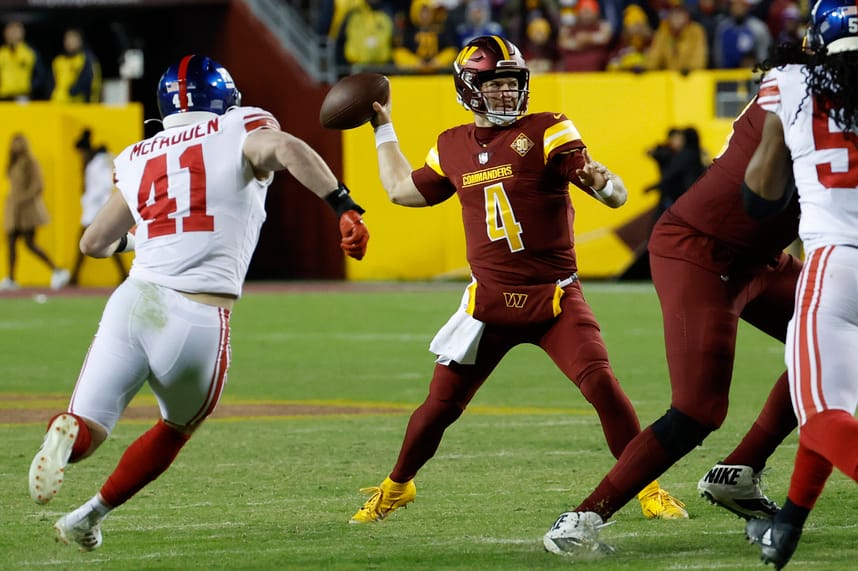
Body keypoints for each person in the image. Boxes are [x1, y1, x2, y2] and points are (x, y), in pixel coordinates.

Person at [26, 55, 369, 551]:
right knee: (176, 427)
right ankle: (89, 514)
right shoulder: (238, 126)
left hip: (133, 301)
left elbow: (94, 243)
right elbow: (287, 148)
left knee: (90, 430)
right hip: (196, 314)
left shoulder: (140, 154)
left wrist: (147, 242)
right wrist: (343, 203)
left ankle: (66, 437)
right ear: (223, 100)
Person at [349, 35, 687, 526]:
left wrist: (605, 183)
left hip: (554, 297)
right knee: (439, 406)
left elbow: (613, 194)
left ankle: (647, 487)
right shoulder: (452, 145)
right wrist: (383, 128)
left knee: (603, 387)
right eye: (495, 83)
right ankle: (397, 486)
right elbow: (402, 191)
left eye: (512, 83)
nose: (507, 93)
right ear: (469, 87)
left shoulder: (548, 128)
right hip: (487, 304)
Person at [543, 76, 806, 557]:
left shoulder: (814, 91)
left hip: (759, 255)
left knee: (837, 345)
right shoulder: (799, 96)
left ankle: (740, 471)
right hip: (702, 250)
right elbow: (770, 194)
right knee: (698, 411)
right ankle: (580, 520)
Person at [741, 2, 858, 567]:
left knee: (821, 411)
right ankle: (788, 520)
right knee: (829, 402)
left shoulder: (789, 79)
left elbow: (760, 188)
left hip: (837, 264)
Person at [2, 133, 70, 291]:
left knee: (29, 243)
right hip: (14, 210)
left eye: (19, 142)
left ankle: (57, 270)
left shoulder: (31, 162)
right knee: (11, 243)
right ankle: (11, 278)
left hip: (27, 210)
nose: (16, 146)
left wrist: (22, 198)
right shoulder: (13, 162)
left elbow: (38, 185)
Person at [68, 129, 127, 286]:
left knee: (98, 242)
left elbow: (106, 184)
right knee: (101, 242)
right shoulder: (94, 162)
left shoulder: (99, 162)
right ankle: (75, 277)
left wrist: (90, 198)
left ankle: (74, 278)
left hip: (98, 209)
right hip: (92, 209)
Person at [0, 20, 52, 101]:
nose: (13, 34)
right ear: (5, 33)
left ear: (22, 33)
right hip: (3, 95)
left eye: (16, 31)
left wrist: (29, 86)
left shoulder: (30, 52)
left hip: (23, 95)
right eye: (10, 31)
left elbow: (41, 75)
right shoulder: (1, 52)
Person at [50, 28, 101, 103]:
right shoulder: (58, 61)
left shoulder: (87, 60)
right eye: (67, 38)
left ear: (80, 41)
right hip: (57, 103)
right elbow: (51, 83)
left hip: (79, 104)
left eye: (73, 38)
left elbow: (89, 82)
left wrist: (71, 92)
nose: (69, 42)